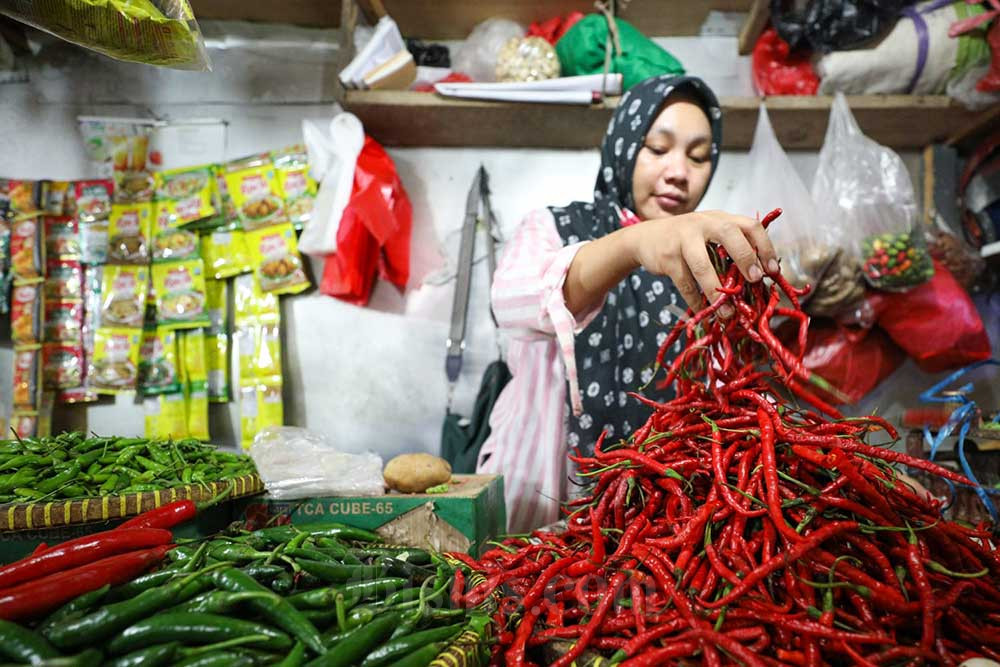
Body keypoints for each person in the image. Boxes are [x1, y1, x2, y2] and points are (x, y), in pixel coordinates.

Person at [476, 75, 780, 532]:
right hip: (541, 511)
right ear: (622, 146)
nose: (679, 172)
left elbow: (735, 395)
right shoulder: (556, 227)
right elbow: (513, 302)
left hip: (663, 528)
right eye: (657, 149)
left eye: (699, 157)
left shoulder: (711, 262)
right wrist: (635, 243)